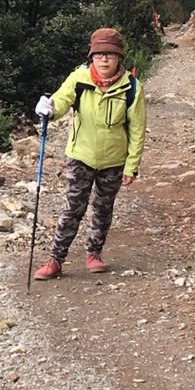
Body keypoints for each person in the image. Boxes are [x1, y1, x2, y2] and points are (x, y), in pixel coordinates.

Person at [31, 27, 145, 279]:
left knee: (103, 208)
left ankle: (93, 253)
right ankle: (55, 259)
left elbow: (137, 130)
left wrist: (131, 166)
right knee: (73, 207)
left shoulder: (132, 88)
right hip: (80, 155)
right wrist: (49, 109)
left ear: (119, 58)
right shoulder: (79, 77)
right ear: (91, 56)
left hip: (114, 160)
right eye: (99, 54)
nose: (104, 59)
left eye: (110, 54)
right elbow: (62, 100)